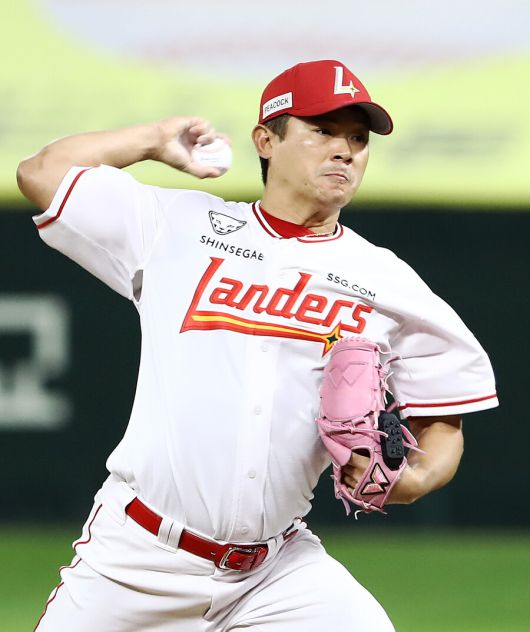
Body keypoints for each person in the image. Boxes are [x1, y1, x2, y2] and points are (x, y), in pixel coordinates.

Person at [17, 59, 498, 632]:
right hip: (137, 560)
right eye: (322, 131)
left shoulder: (385, 279)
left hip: (275, 572)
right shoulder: (178, 226)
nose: (344, 151)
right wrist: (152, 140)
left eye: (357, 139)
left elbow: (444, 417)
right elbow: (42, 172)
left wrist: (414, 480)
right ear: (266, 140)